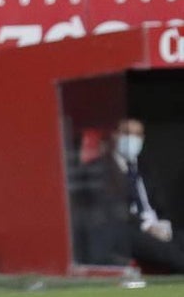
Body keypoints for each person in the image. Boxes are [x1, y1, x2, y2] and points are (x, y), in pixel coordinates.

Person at [74, 117, 184, 273]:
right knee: (168, 252)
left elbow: (159, 203)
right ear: (115, 135)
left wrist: (164, 223)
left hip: (158, 227)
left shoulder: (145, 168)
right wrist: (146, 226)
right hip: (128, 229)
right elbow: (112, 208)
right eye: (127, 133)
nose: (132, 139)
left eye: (137, 135)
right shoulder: (99, 168)